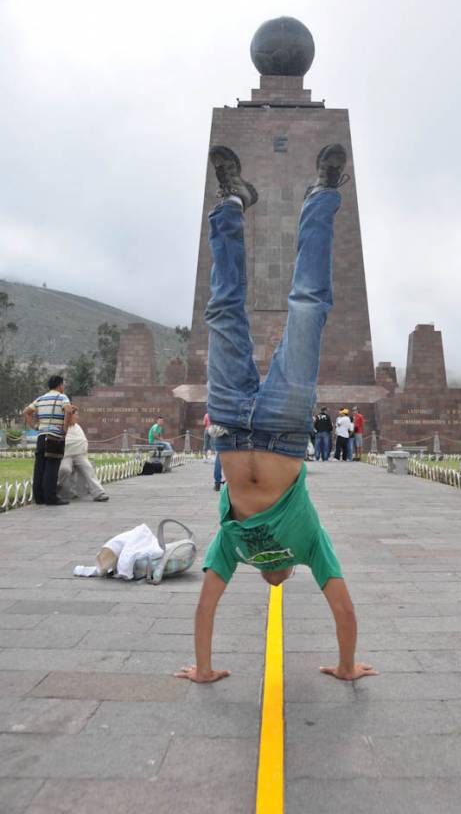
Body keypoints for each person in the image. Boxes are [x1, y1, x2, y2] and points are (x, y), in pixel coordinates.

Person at [175, 143, 377, 684]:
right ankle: (322, 196)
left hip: (230, 423)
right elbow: (343, 608)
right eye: (278, 575)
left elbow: (206, 606)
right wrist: (345, 666)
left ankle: (231, 203)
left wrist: (205, 668)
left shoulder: (232, 547)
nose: (275, 576)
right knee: (308, 307)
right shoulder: (309, 544)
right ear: (288, 572)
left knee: (222, 310)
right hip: (286, 429)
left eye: (273, 575)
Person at [23, 374, 74, 506]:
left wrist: (34, 426)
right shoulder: (62, 397)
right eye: (63, 385)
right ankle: (51, 498)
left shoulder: (40, 399)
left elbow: (26, 412)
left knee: (39, 466)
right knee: (52, 466)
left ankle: (39, 497)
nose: (64, 387)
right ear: (60, 385)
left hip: (41, 436)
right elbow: (68, 410)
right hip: (55, 437)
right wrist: (65, 428)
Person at [58, 407, 109, 502]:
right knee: (65, 469)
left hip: (79, 455)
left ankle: (99, 493)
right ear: (69, 415)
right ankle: (57, 486)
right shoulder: (62, 426)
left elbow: (82, 442)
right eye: (75, 415)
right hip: (65, 455)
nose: (77, 417)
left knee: (88, 468)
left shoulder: (77, 427)